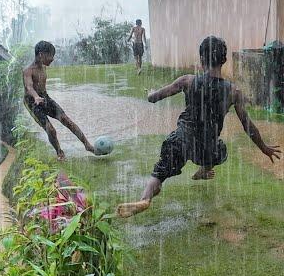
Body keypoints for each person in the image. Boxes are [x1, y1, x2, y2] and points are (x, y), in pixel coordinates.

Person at [117, 36, 281, 218]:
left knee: (160, 172)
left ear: (202, 60)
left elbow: (155, 98)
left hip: (181, 140)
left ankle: (145, 199)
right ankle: (204, 169)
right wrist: (264, 148)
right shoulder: (233, 92)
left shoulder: (187, 81)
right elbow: (248, 126)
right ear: (224, 60)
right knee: (221, 149)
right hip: (207, 147)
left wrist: (150, 93)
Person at [23, 40, 95, 160]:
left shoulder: (43, 67)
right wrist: (36, 97)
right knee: (50, 129)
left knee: (66, 120)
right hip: (32, 102)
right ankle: (59, 152)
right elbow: (29, 87)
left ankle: (87, 145)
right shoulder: (28, 71)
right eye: (50, 55)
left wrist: (41, 97)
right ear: (41, 55)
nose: (52, 59)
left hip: (44, 97)